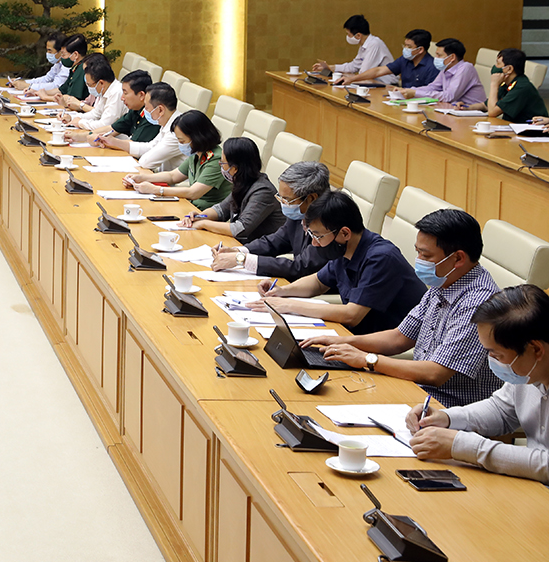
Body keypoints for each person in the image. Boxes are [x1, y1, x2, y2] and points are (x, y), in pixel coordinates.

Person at [298, 209, 499, 406]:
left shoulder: (478, 303)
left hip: (450, 407)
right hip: (416, 389)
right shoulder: (445, 283)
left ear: (458, 258)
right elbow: (399, 338)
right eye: (418, 252)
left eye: (426, 255)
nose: (419, 261)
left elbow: (436, 373)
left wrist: (367, 359)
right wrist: (341, 342)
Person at [405, 284, 549, 479]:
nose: (491, 360)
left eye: (497, 354)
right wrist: (446, 418)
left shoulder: (527, 368)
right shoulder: (528, 369)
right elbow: (501, 410)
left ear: (536, 349)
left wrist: (464, 446)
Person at [246, 191, 424, 333]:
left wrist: (289, 305)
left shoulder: (380, 258)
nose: (314, 243)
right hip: (356, 335)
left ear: (345, 233)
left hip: (388, 343)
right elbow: (318, 282)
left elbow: (352, 315)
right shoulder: (343, 248)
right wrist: (282, 292)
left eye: (318, 236)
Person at [211, 161, 343, 280]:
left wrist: (243, 260)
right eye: (281, 198)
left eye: (287, 200)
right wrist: (238, 251)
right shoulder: (300, 214)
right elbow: (275, 241)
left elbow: (300, 267)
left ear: (311, 198)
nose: (283, 204)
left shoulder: (331, 223)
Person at [181, 136, 283, 243]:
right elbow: (221, 209)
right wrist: (200, 216)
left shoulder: (263, 191)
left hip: (260, 249)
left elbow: (240, 228)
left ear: (235, 169)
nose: (221, 167)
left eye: (222, 163)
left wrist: (204, 223)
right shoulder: (243, 182)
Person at [125, 111, 231, 209]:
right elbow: (173, 176)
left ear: (197, 137)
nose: (181, 144)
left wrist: (155, 190)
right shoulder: (197, 154)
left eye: (182, 141)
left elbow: (193, 193)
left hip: (207, 212)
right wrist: (142, 178)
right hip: (191, 206)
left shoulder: (216, 159)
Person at [96, 81, 182, 171]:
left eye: (147, 108)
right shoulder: (168, 122)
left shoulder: (177, 132)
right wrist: (114, 142)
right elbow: (150, 147)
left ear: (160, 110)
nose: (145, 111)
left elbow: (146, 162)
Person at [398, 37, 485, 106]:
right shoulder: (445, 68)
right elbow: (432, 87)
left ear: (452, 57)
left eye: (439, 55)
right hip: (453, 109)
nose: (435, 58)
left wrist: (415, 93)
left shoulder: (466, 68)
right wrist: (407, 90)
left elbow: (449, 97)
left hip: (473, 112)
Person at [77, 70, 157, 143]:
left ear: (141, 95)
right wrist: (79, 136)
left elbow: (134, 145)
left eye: (125, 93)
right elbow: (112, 129)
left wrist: (106, 141)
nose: (122, 98)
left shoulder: (152, 116)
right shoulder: (135, 110)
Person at [339, 28, 434, 88]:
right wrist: (352, 79)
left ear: (420, 50)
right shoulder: (405, 60)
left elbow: (431, 93)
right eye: (405, 45)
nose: (405, 49)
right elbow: (378, 71)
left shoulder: (432, 67)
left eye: (409, 47)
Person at [312, 14, 395, 83]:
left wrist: (349, 78)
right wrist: (330, 67)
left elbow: (364, 72)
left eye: (349, 34)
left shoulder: (374, 44)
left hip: (387, 84)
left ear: (358, 35)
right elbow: (353, 66)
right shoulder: (364, 45)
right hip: (372, 82)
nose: (347, 37)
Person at [478, 48, 548, 122]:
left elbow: (492, 112)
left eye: (498, 63)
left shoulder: (522, 87)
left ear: (509, 69)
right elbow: (486, 105)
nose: (495, 66)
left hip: (532, 127)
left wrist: (494, 84)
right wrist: (469, 108)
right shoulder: (507, 83)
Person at [63, 55, 125, 128]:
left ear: (101, 83)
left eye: (89, 84)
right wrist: (71, 117)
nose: (88, 87)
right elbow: (95, 114)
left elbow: (105, 125)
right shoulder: (106, 90)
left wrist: (80, 123)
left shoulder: (116, 93)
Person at [7, 31, 67, 95]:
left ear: (61, 51)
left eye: (50, 51)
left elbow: (56, 86)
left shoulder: (67, 65)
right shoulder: (58, 63)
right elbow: (46, 79)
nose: (47, 53)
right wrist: (23, 82)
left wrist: (29, 86)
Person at [42, 34, 89, 102]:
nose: (61, 57)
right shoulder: (74, 68)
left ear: (75, 55)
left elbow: (72, 99)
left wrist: (45, 97)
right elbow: (61, 90)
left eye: (63, 54)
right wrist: (38, 92)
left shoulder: (81, 69)